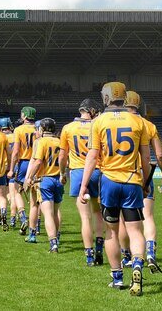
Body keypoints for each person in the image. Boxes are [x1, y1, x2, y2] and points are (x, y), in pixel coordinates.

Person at [79, 82, 151, 297]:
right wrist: (145, 183)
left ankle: (117, 277)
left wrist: (84, 185)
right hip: (132, 180)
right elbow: (146, 158)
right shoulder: (138, 122)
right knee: (135, 231)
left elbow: (92, 156)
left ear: (107, 98)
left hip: (109, 181)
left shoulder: (98, 122)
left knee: (111, 231)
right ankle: (137, 264)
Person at [118, 91, 162, 273]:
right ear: (138, 104)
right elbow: (160, 155)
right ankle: (150, 253)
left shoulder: (116, 123)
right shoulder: (149, 125)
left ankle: (127, 256)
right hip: (145, 174)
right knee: (148, 217)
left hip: (125, 174)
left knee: (125, 220)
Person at [59, 98, 105, 266]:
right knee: (98, 213)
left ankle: (88, 255)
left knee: (85, 218)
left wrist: (62, 172)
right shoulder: (98, 125)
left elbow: (62, 155)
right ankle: (100, 248)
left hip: (78, 172)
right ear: (92, 110)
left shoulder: (68, 128)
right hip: (98, 171)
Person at [23, 118, 64, 252]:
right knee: (56, 211)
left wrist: (29, 177)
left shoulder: (41, 142)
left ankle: (53, 243)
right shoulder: (60, 141)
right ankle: (57, 237)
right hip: (58, 179)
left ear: (42, 129)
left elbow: (38, 161)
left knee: (47, 213)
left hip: (45, 180)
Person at [9, 106, 38, 236]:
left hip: (24, 162)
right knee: (36, 195)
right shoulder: (38, 128)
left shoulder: (19, 129)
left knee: (17, 192)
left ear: (25, 116)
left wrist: (11, 169)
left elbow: (15, 152)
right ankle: (36, 226)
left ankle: (23, 217)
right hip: (37, 163)